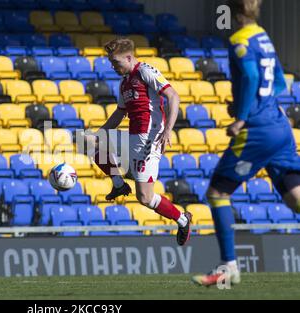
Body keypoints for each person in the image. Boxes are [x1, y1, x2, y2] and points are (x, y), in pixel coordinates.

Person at [192, 0, 300, 287]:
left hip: (258, 131)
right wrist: (258, 105)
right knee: (295, 198)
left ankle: (229, 267)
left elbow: (252, 76)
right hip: (279, 125)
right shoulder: (263, 36)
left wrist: (242, 116)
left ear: (234, 14)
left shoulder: (239, 40)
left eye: (223, 14)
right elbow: (279, 83)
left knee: (217, 193)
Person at [85, 38, 192, 245]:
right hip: (134, 136)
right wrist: (99, 133)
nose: (112, 66)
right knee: (89, 142)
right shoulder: (124, 82)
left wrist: (168, 130)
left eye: (115, 62)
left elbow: (173, 96)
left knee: (144, 197)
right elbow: (119, 114)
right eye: (111, 62)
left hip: (149, 139)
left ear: (128, 57)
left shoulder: (145, 71)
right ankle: (119, 185)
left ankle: (182, 219)